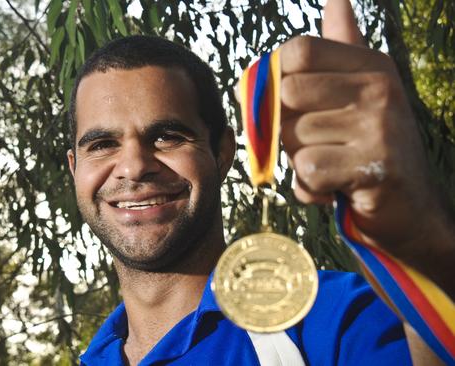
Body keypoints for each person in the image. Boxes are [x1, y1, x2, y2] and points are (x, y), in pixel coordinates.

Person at [66, 0, 455, 364]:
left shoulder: (328, 322)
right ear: (74, 168)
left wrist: (420, 244)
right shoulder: (94, 357)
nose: (133, 166)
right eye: (102, 144)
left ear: (222, 153)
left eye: (168, 137)